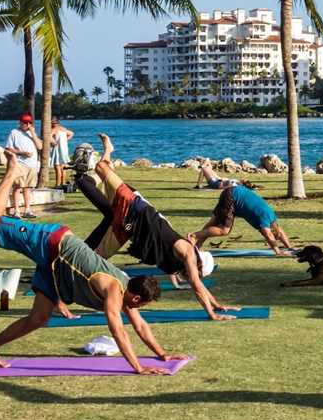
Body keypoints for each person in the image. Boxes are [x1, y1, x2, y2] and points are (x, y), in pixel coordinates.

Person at [0, 153, 186, 373]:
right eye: (140, 305)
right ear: (136, 297)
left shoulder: (127, 289)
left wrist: (162, 354)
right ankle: (12, 173)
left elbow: (140, 325)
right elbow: (118, 331)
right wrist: (138, 367)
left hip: (56, 268)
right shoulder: (115, 289)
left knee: (38, 318)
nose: (137, 310)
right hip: (52, 241)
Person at [76, 134, 236, 320]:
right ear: (199, 265)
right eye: (199, 273)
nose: (195, 276)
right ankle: (109, 151)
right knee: (101, 167)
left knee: (96, 259)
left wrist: (216, 305)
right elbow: (197, 286)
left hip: (127, 227)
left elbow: (197, 285)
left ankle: (76, 288)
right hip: (133, 206)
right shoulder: (188, 253)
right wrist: (212, 314)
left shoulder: (179, 264)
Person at [191, 181, 295, 255]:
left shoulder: (272, 217)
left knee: (212, 223)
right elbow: (268, 235)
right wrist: (278, 251)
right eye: (275, 237)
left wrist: (290, 247)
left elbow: (279, 233)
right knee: (224, 230)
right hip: (232, 197)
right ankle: (194, 236)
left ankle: (196, 246)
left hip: (233, 193)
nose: (275, 238)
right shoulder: (265, 221)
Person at [4, 113, 43, 218]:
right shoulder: (14, 132)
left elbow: (40, 146)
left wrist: (33, 133)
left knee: (28, 188)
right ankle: (16, 210)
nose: (27, 125)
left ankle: (27, 210)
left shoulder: (32, 133)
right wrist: (22, 153)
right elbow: (8, 148)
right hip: (20, 163)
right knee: (17, 187)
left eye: (29, 123)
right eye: (25, 123)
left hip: (32, 165)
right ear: (20, 122)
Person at [48, 118, 74, 188]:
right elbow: (71, 133)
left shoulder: (53, 129)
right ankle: (63, 183)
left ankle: (58, 185)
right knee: (63, 168)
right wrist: (65, 140)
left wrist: (54, 142)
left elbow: (49, 136)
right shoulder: (63, 129)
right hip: (64, 149)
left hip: (57, 149)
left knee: (57, 167)